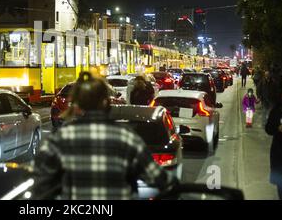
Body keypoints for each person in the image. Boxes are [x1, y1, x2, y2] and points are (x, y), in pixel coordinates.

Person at [33, 71, 176, 200]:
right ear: (106, 103)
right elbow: (158, 178)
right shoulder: (126, 138)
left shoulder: (58, 140)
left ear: (76, 105)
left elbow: (40, 185)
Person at [265, 90, 282, 200]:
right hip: (279, 149)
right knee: (281, 176)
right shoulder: (275, 111)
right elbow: (268, 128)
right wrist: (277, 128)